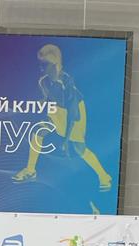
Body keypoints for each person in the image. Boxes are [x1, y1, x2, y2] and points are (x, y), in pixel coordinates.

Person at [12, 43, 113, 193]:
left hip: (75, 114)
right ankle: (30, 170)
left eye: (44, 65)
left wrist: (65, 140)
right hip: (57, 110)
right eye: (40, 64)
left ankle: (104, 176)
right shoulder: (43, 82)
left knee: (79, 149)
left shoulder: (67, 84)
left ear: (55, 64)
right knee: (38, 131)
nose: (41, 69)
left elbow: (73, 114)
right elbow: (48, 98)